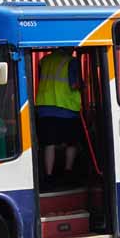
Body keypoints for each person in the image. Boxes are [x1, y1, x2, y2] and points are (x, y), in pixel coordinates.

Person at [35, 48, 83, 186]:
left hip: (44, 107)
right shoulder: (72, 62)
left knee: (49, 143)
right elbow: (75, 85)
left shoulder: (44, 60)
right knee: (71, 143)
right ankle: (68, 173)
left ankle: (49, 176)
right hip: (67, 109)